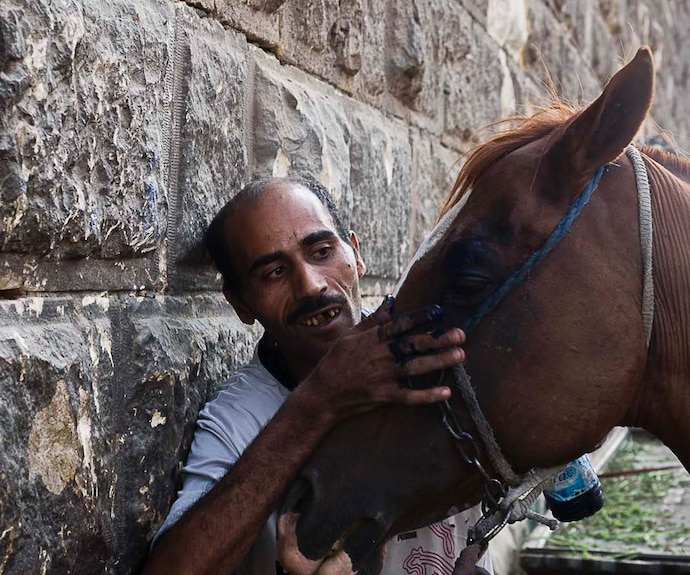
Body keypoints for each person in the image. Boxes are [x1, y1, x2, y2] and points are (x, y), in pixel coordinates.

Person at [143, 177, 494, 575]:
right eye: (274, 272)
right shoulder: (239, 419)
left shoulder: (438, 351)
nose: (310, 285)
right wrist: (319, 401)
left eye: (322, 251)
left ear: (356, 253)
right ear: (241, 303)